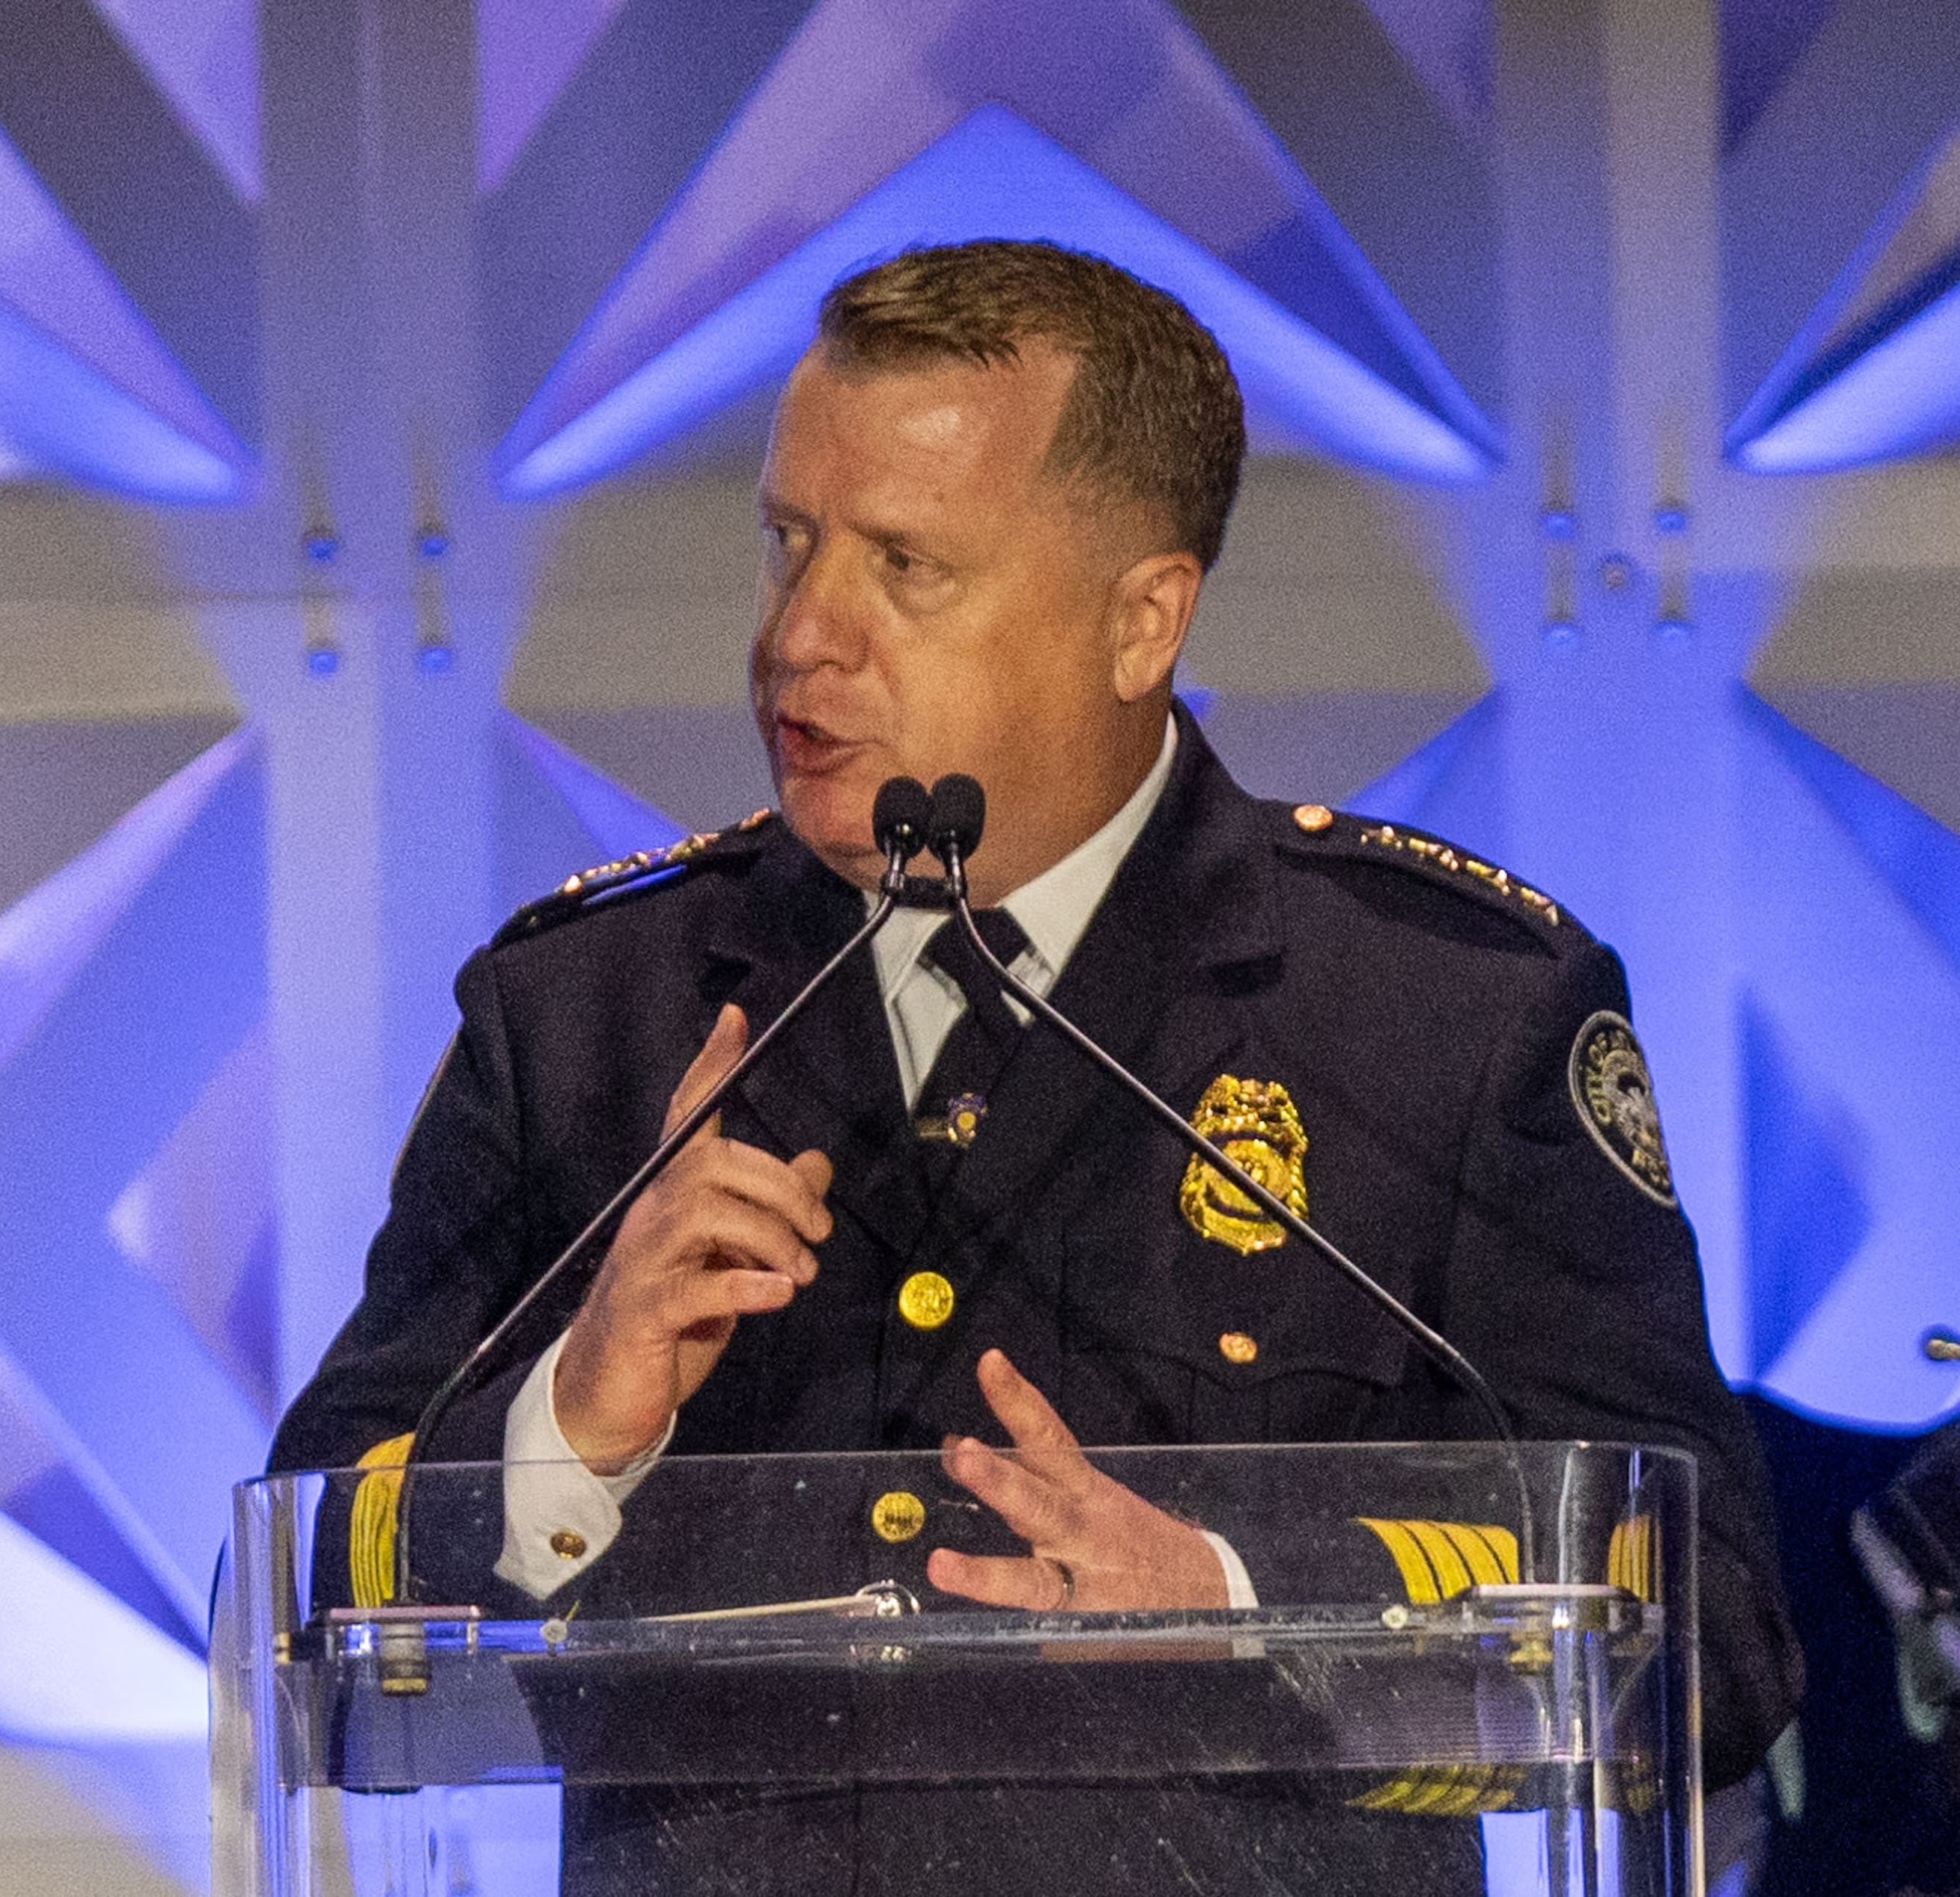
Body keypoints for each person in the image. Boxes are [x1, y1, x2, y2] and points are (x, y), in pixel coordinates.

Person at [271, 238, 1800, 1889]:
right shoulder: (587, 1014)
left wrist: (1233, 1598)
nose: (803, 637)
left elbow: (1707, 1627)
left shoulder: (1438, 1014)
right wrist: (565, 1429)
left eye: (907, 566)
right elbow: (302, 1616)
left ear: (1144, 619)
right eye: (789, 547)